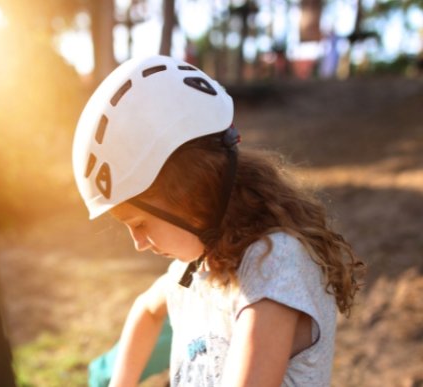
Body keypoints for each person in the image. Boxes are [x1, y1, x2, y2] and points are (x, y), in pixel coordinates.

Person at [72, 55, 364, 387]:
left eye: (140, 223)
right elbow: (146, 310)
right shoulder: (196, 267)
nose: (138, 244)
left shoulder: (273, 264)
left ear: (189, 192)